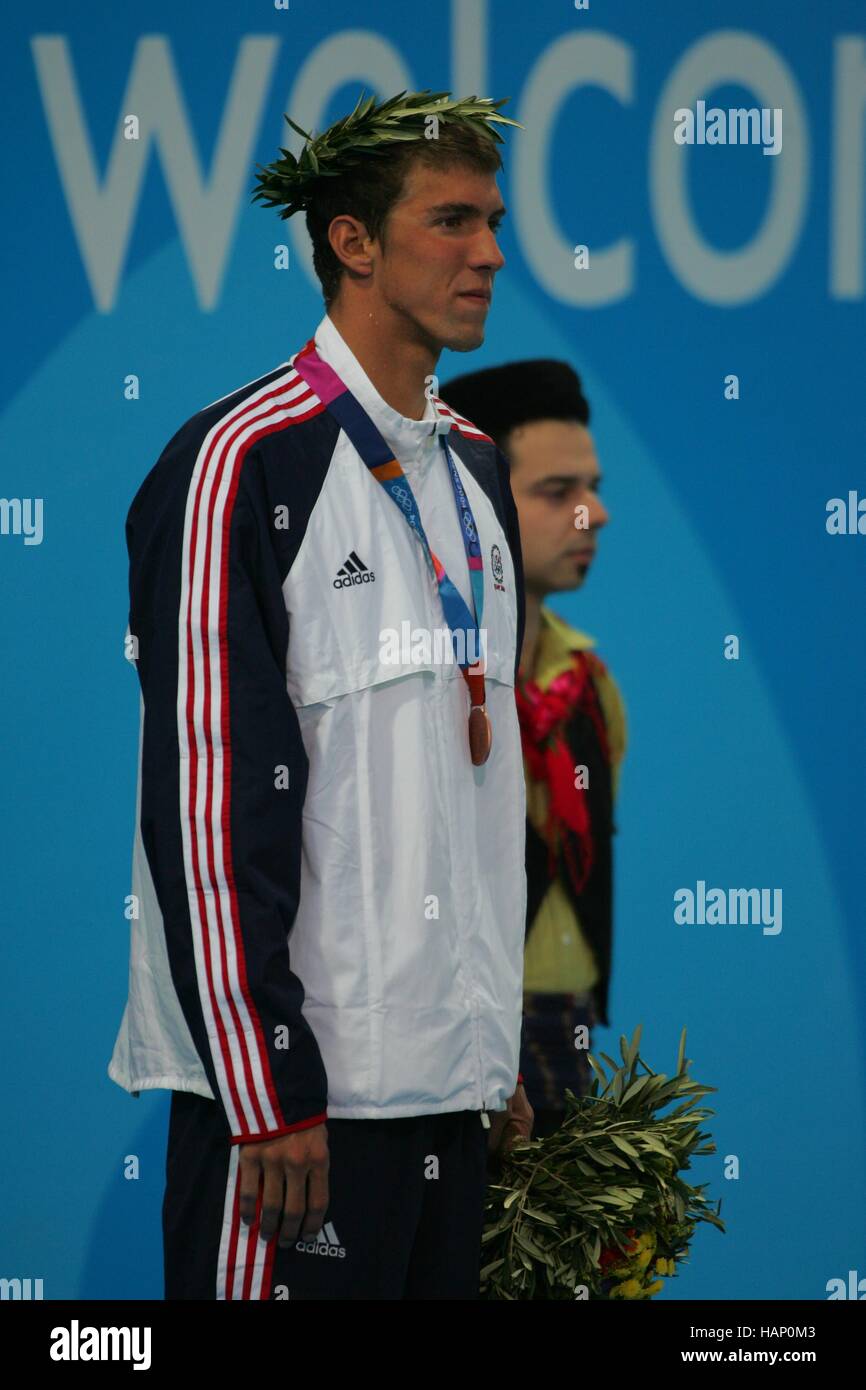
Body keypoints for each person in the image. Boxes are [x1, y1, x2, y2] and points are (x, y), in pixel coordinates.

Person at [107, 90, 535, 1301]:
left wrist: (482, 1044)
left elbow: (469, 783)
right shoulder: (237, 461)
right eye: (451, 221)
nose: (491, 252)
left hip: (441, 1100)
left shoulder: (476, 473)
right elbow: (205, 798)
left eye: (493, 220)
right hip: (292, 1122)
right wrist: (266, 1089)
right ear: (350, 242)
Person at [439, 360, 627, 1138]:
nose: (597, 515)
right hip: (451, 1032)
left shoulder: (591, 685)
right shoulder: (432, 684)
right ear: (479, 501)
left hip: (567, 1027)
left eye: (593, 486)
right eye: (559, 493)